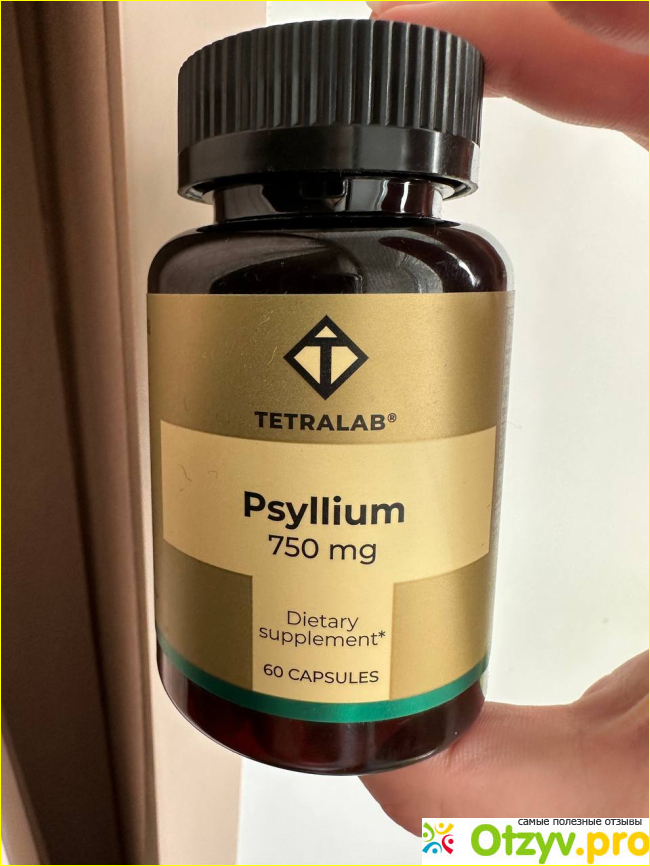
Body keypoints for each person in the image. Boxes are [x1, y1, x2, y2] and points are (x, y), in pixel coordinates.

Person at [362, 0, 649, 829]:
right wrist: (599, 849)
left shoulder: (452, 272)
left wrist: (536, 848)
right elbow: (467, 841)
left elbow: (461, 841)